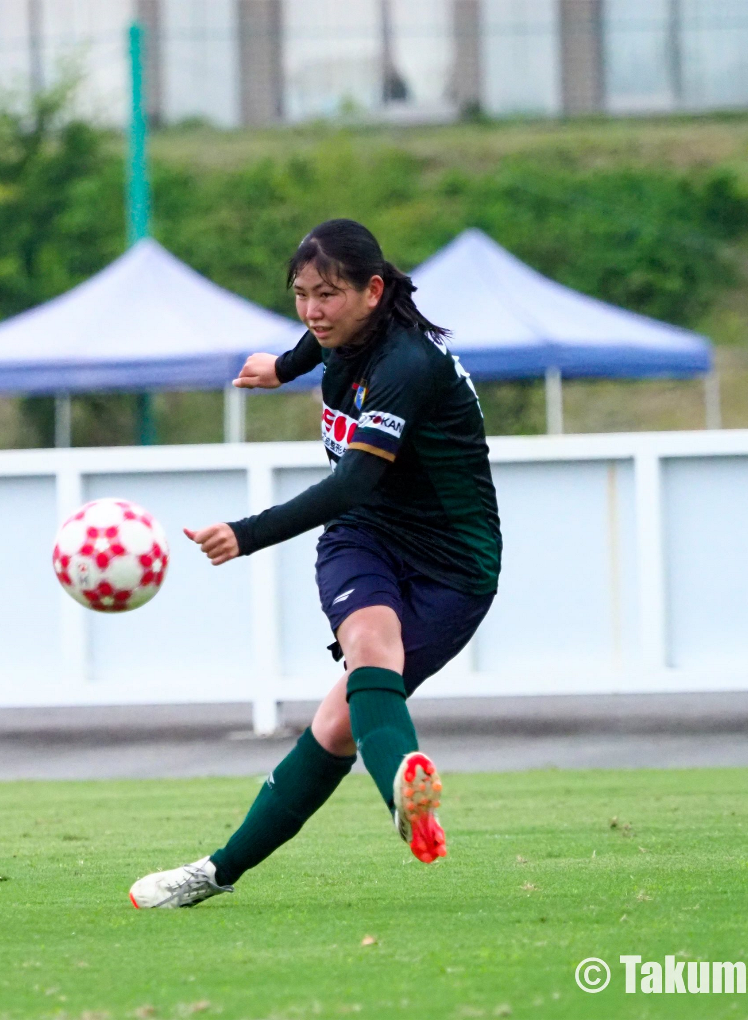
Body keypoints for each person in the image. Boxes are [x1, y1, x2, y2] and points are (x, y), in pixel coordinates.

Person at [130, 219, 502, 909]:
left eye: (327, 294)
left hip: (455, 566)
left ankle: (220, 869)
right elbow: (320, 352)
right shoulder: (341, 336)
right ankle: (400, 788)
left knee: (335, 725)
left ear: (373, 290)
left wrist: (246, 534)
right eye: (301, 294)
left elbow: (351, 481)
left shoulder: (406, 366)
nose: (311, 310)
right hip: (363, 536)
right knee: (368, 647)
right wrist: (284, 365)